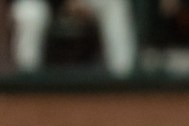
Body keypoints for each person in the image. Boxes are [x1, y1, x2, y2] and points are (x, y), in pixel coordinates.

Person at [8, 0, 137, 77]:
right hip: (41, 2)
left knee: (113, 2)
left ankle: (122, 77)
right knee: (30, 14)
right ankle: (28, 79)